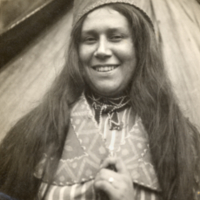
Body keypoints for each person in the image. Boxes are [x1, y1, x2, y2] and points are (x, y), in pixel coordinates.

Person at [0, 0, 200, 200]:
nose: (101, 50)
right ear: (76, 50)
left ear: (140, 45)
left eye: (116, 37)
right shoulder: (31, 134)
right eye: (89, 39)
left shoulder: (182, 140)